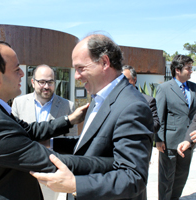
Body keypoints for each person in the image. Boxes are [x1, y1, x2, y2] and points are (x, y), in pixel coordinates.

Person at [0, 40, 113, 200]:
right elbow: (52, 161)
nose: (22, 74)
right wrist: (113, 162)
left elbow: (30, 130)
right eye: (16, 70)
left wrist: (69, 120)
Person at [31, 34, 154, 200]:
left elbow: (133, 177)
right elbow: (90, 144)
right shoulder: (98, 99)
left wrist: (75, 185)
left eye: (81, 68)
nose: (76, 76)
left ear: (104, 62)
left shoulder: (132, 106)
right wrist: (50, 143)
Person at [12, 64, 78, 199]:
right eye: (42, 82)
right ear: (33, 82)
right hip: (25, 170)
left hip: (52, 172)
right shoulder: (18, 103)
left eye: (50, 82)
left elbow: (71, 144)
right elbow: (14, 140)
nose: (46, 86)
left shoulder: (68, 106)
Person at [155, 54, 196, 200]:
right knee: (166, 179)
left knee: (181, 178)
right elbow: (159, 116)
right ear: (177, 70)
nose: (191, 71)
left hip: (189, 141)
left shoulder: (195, 88)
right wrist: (158, 139)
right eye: (188, 68)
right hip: (169, 143)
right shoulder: (164, 88)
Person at [122, 65, 160, 134]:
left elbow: (156, 125)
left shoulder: (148, 101)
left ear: (134, 79)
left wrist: (137, 124)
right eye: (121, 80)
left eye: (126, 80)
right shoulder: (115, 100)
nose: (123, 83)